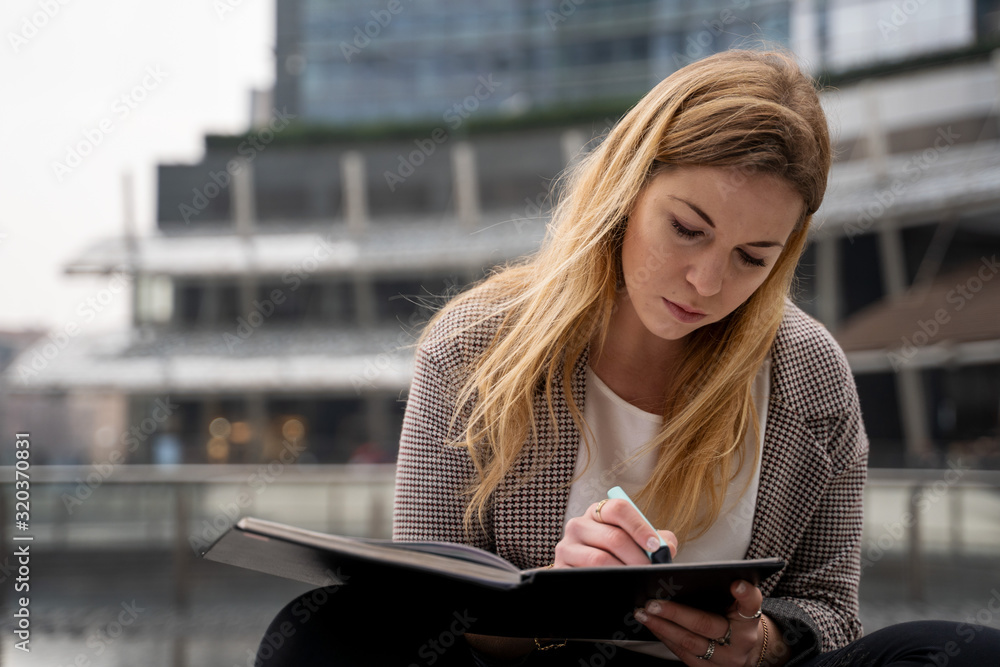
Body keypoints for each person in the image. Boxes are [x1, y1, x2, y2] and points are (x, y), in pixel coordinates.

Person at [254, 49, 1000, 666]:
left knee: (950, 652)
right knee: (324, 626)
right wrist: (557, 602)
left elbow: (834, 613)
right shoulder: (475, 347)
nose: (708, 283)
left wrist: (760, 639)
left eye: (752, 258)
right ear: (626, 190)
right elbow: (427, 615)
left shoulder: (810, 373)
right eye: (686, 228)